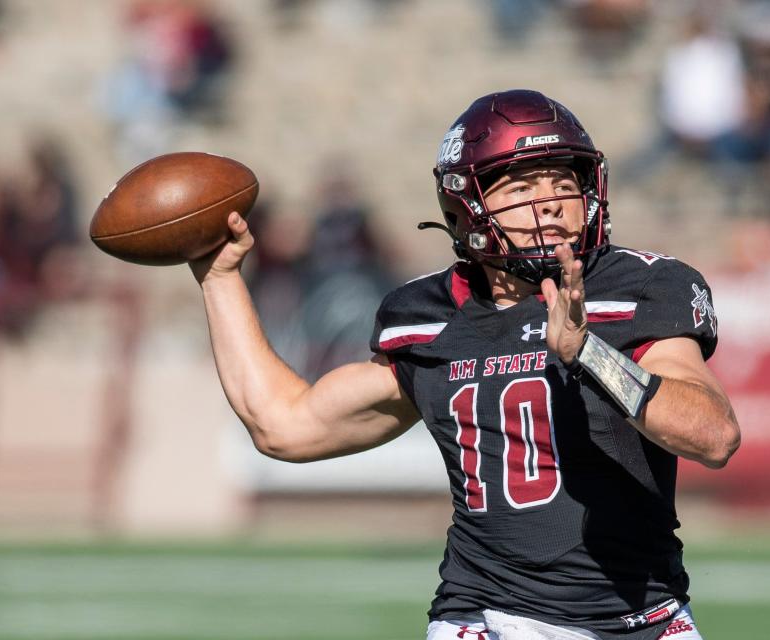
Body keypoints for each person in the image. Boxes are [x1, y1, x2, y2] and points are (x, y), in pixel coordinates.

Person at [190, 89, 740, 640]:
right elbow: (284, 425)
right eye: (523, 186)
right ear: (465, 207)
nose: (550, 202)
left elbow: (713, 436)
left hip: (639, 619)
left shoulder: (640, 287)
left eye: (564, 183)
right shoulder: (425, 318)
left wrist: (588, 351)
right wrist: (219, 278)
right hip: (485, 617)